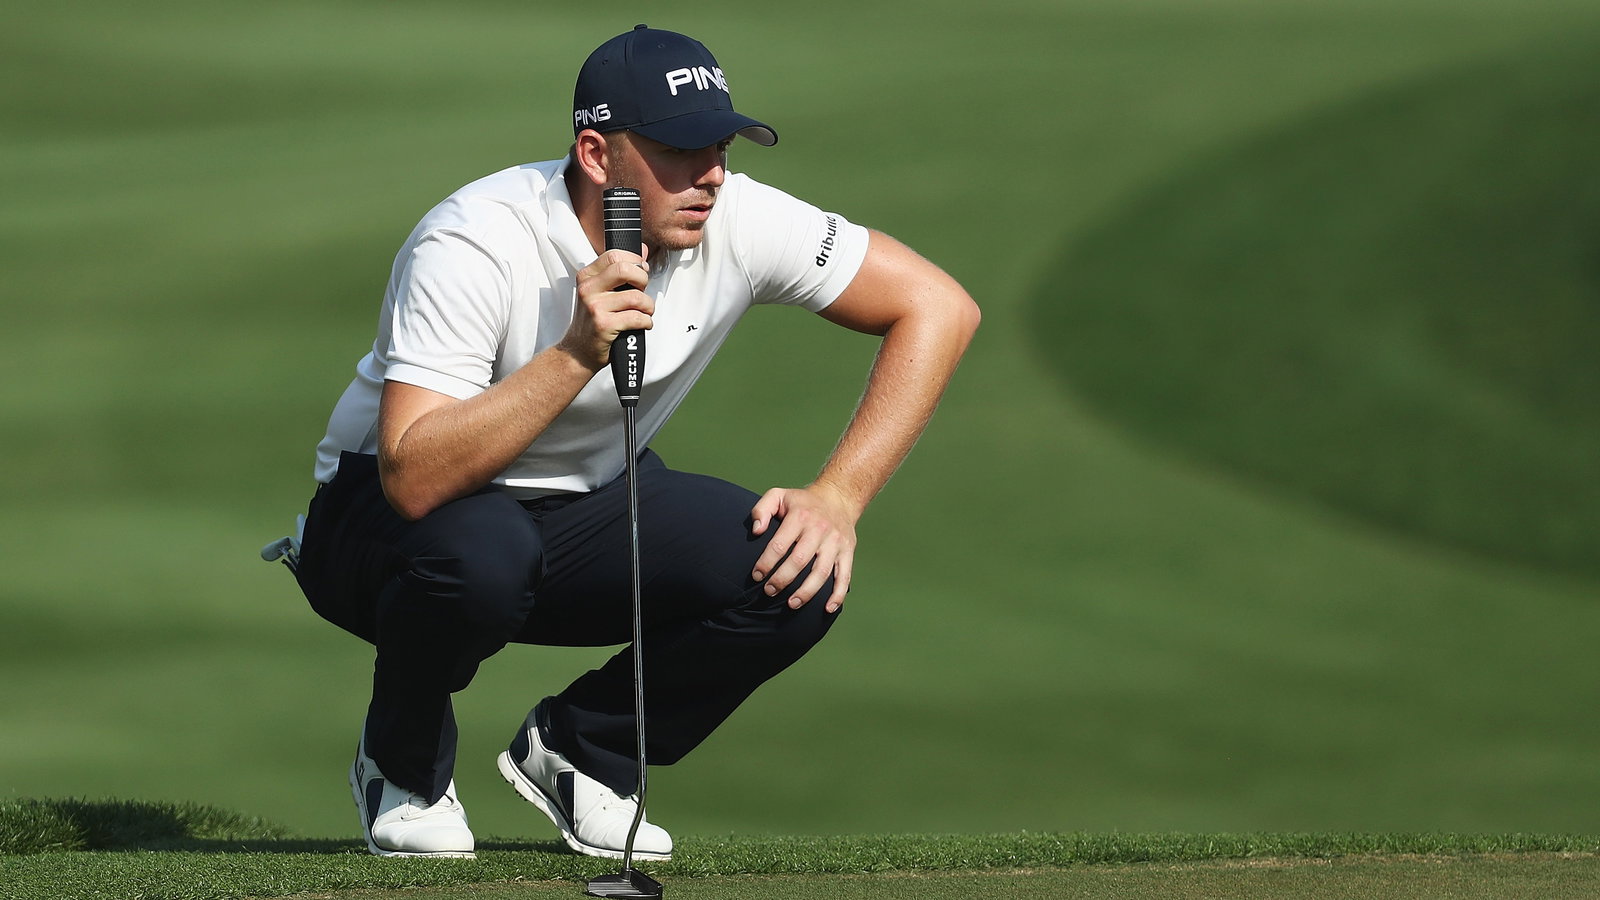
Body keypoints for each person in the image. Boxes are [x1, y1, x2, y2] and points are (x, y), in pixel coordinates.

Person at [281, 24, 979, 861]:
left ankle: (581, 751)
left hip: (582, 503)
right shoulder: (474, 237)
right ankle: (400, 766)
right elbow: (414, 478)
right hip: (380, 525)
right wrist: (576, 353)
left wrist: (840, 496)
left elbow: (939, 308)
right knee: (485, 555)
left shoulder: (737, 215)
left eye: (721, 145)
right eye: (681, 151)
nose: (713, 175)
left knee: (795, 574)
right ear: (597, 154)